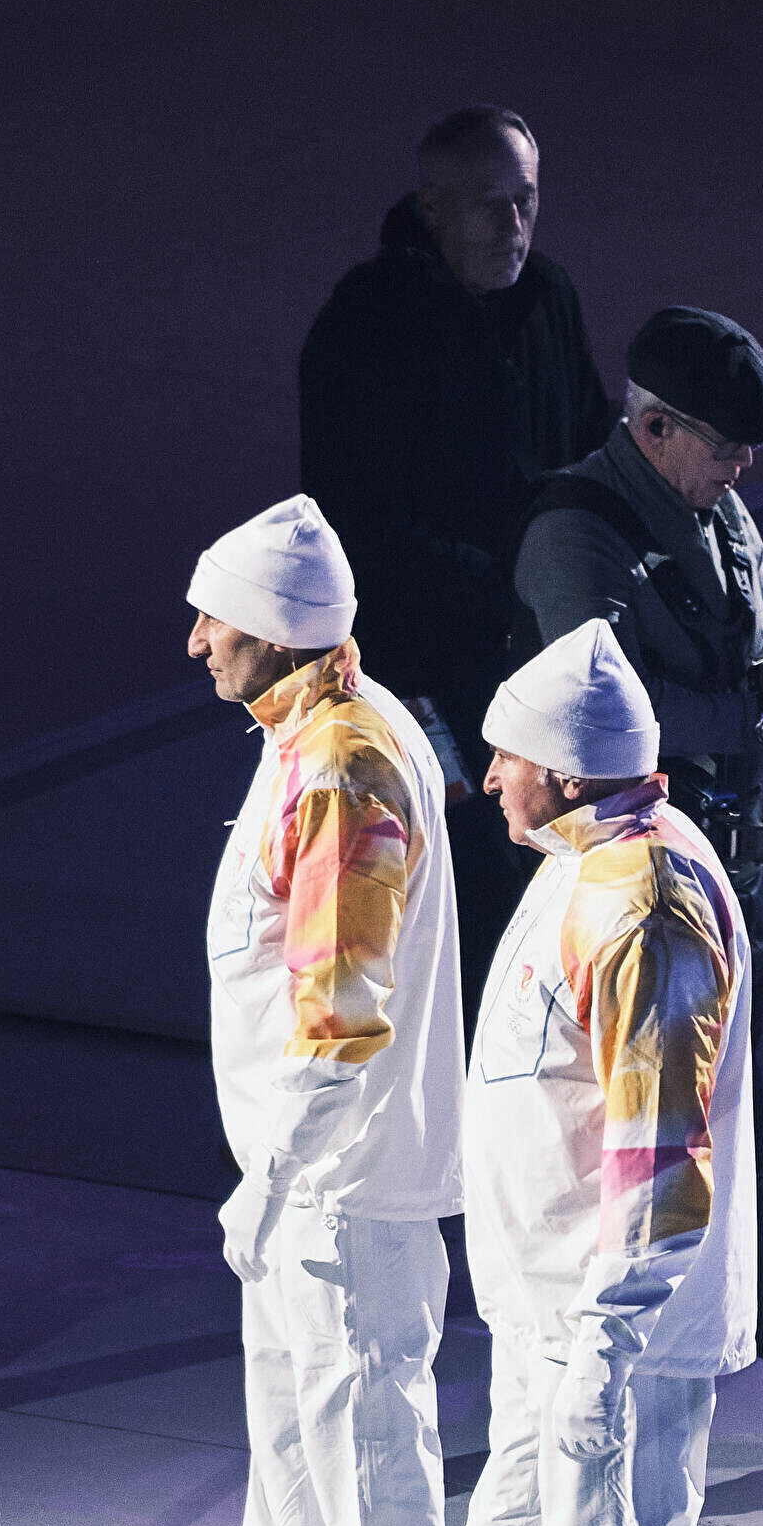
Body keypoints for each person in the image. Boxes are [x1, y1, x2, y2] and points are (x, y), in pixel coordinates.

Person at [323, 619, 752, 1526]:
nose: (489, 771)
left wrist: (612, 1342)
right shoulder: (582, 866)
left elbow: (661, 1151)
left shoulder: (645, 905)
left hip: (616, 1332)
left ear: (564, 769)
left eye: (506, 754)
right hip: (547, 1320)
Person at [514, 305, 763, 1472]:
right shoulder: (576, 534)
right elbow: (605, 713)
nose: (743, 467)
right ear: (655, 426)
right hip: (619, 881)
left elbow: (760, 653)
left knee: (724, 1133)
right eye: (725, 445)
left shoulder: (719, 514)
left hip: (708, 864)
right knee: (683, 1140)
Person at [173, 495, 466, 1526]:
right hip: (295, 1172)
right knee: (292, 1429)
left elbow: (343, 1009)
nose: (195, 642)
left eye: (216, 620)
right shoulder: (307, 730)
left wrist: (282, 1177)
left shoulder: (347, 766)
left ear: (280, 632)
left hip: (342, 1177)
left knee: (364, 1441)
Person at [297, 105, 615, 1001]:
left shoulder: (548, 295)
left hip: (528, 665)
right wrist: (517, 592)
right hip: (420, 676)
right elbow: (360, 528)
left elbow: (589, 458)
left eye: (527, 201)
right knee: (450, 899)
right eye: (489, 206)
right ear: (432, 208)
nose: (513, 226)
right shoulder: (363, 325)